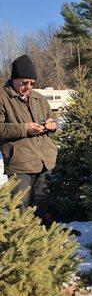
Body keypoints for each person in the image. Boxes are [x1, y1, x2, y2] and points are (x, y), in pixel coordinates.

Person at [0, 55, 58, 222]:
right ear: (14, 79)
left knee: (43, 204)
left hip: (44, 160)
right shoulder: (3, 97)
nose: (28, 87)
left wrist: (52, 124)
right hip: (20, 163)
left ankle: (48, 239)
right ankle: (27, 244)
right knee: (21, 206)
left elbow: (52, 117)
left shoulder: (38, 98)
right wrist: (24, 128)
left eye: (32, 83)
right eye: (24, 82)